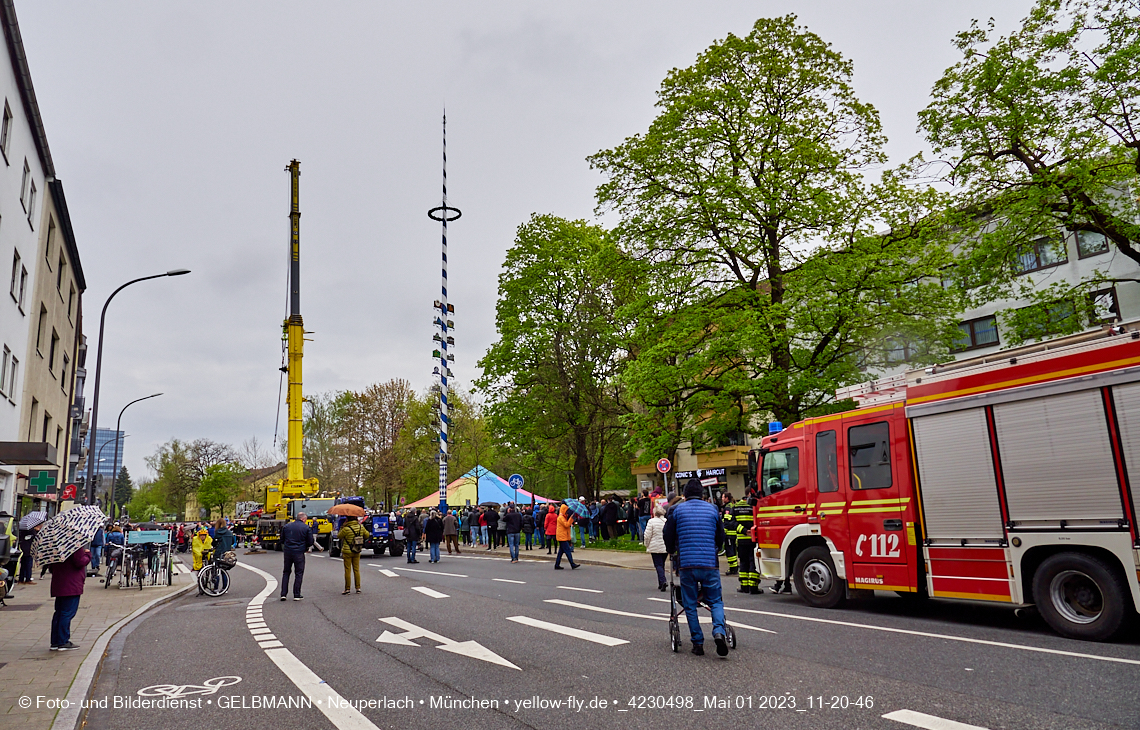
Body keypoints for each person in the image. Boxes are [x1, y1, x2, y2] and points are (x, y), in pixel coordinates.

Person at [664, 479, 728, 657]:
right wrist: (715, 548)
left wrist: (671, 550)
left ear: (684, 494)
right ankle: (718, 631)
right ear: (702, 494)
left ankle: (697, 643)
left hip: (687, 564)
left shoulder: (676, 510)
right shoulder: (712, 509)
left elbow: (668, 534)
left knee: (690, 603)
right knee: (715, 600)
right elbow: (720, 535)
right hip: (709, 563)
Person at [48, 545, 90, 651]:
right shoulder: (74, 544)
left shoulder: (54, 546)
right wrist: (88, 554)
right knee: (67, 613)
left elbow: (51, 568)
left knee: (59, 613)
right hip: (71, 584)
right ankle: (63, 641)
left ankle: (55, 641)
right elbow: (79, 562)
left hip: (59, 583)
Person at [728, 488, 761, 594]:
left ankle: (744, 586)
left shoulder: (736, 506)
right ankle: (753, 587)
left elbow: (729, 523)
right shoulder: (755, 505)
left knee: (743, 562)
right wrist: (750, 531)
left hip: (741, 540)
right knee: (753, 562)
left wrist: (743, 530)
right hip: (753, 539)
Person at [280, 511, 314, 601]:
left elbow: (282, 539)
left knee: (286, 572)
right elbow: (311, 541)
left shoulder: (287, 526)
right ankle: (296, 594)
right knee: (299, 573)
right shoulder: (306, 528)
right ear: (303, 519)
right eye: (305, 520)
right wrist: (305, 547)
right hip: (299, 552)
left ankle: (283, 594)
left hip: (288, 551)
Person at [338, 515, 366, 594]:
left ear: (347, 519)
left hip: (347, 551)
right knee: (356, 569)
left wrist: (342, 526)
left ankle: (347, 589)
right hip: (356, 550)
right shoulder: (361, 527)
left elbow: (339, 536)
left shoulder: (346, 529)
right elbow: (366, 535)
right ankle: (358, 588)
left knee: (347, 570)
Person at [643, 505, 669, 591]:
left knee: (658, 565)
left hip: (655, 546)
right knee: (662, 564)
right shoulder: (666, 521)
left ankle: (662, 581)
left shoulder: (651, 522)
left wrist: (646, 544)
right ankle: (661, 582)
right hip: (665, 546)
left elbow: (647, 535)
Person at [554, 504, 580, 570]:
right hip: (562, 537)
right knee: (567, 551)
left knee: (561, 552)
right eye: (566, 511)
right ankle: (572, 564)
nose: (567, 512)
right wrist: (571, 518)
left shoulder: (563, 517)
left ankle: (557, 565)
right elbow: (566, 525)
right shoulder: (561, 518)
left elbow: (567, 528)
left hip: (563, 536)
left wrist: (569, 539)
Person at [721, 493, 739, 576]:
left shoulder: (727, 507)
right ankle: (734, 567)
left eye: (723, 497)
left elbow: (727, 521)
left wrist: (724, 530)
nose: (722, 498)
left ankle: (733, 569)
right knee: (733, 551)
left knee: (730, 552)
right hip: (733, 533)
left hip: (729, 533)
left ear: (727, 498)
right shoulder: (732, 505)